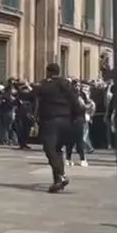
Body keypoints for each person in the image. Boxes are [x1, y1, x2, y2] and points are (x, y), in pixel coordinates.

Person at [33, 62, 84, 193]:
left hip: (51, 121)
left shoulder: (46, 85)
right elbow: (76, 102)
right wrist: (75, 118)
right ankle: (57, 181)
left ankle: (61, 175)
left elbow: (31, 94)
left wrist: (23, 88)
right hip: (66, 122)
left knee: (50, 149)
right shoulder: (67, 85)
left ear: (48, 72)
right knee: (57, 150)